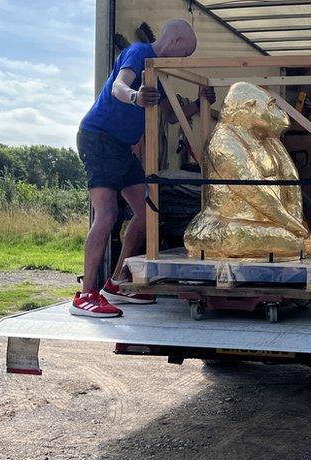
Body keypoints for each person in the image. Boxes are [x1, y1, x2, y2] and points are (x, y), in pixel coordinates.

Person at [72, 19, 215, 317]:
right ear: (174, 42)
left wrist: (200, 103)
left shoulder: (159, 75)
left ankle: (117, 282)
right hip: (98, 137)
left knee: (147, 213)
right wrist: (137, 97)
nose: (183, 60)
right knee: (108, 214)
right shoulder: (138, 53)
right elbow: (118, 87)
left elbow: (170, 116)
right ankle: (85, 295)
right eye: (184, 53)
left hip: (122, 147)